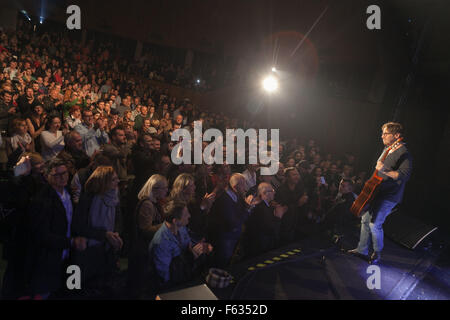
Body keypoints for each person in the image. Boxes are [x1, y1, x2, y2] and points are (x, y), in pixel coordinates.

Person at [348, 122, 412, 264]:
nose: (382, 135)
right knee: (365, 220)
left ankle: (377, 253)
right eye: (382, 132)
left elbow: (404, 176)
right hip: (376, 191)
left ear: (396, 135)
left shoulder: (404, 153)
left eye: (385, 133)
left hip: (389, 196)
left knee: (374, 224)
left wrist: (385, 170)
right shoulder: (388, 148)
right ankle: (362, 249)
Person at [27, 159, 87, 298]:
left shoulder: (67, 193)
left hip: (70, 256)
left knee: (71, 291)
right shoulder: (42, 200)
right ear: (47, 176)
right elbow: (42, 235)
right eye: (57, 175)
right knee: (48, 293)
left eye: (64, 173)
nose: (62, 177)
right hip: (50, 258)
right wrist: (71, 242)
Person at [72, 166, 123, 290]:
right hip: (89, 251)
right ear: (103, 182)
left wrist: (116, 234)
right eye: (113, 180)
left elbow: (118, 220)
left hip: (107, 250)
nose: (118, 182)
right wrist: (105, 234)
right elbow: (79, 226)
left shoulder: (114, 197)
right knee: (86, 288)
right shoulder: (89, 198)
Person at [148, 200, 213, 289]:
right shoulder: (161, 243)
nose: (189, 216)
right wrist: (191, 256)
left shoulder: (181, 228)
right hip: (174, 286)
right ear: (175, 221)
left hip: (185, 277)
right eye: (186, 215)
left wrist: (201, 246)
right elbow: (165, 277)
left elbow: (188, 245)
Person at [127, 174, 168, 297]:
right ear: (155, 189)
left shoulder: (155, 202)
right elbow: (145, 230)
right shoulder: (147, 204)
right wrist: (165, 225)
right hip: (143, 251)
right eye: (164, 188)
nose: (167, 190)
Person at [207, 173, 259, 267]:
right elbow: (233, 223)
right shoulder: (224, 200)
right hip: (225, 240)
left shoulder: (237, 196)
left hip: (232, 239)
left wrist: (249, 205)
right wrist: (247, 209)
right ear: (235, 186)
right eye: (243, 184)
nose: (245, 187)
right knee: (222, 265)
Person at [241, 182, 287, 258]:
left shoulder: (265, 205)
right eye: (272, 190)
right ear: (264, 193)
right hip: (260, 247)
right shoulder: (261, 208)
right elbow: (269, 229)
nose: (274, 192)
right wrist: (278, 217)